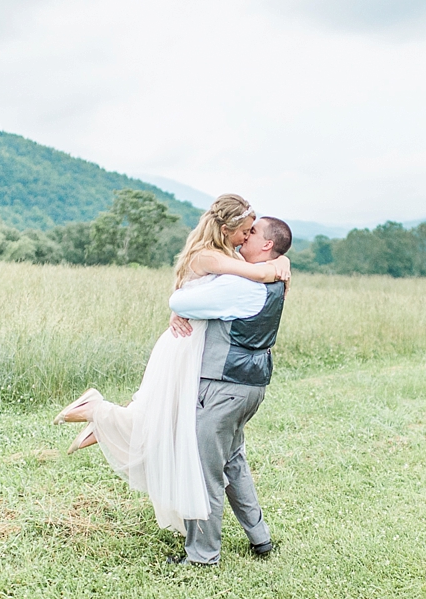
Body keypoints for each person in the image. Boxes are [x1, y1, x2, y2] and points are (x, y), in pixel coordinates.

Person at [52, 194, 290, 536]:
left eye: (252, 233)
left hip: (195, 348)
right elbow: (252, 272)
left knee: (166, 422)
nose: (245, 238)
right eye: (244, 231)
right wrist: (278, 266)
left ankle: (99, 417)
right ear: (227, 229)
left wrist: (281, 261)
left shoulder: (221, 253)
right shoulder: (214, 257)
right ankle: (98, 413)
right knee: (164, 422)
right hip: (185, 347)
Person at [166, 215, 292, 566]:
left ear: (266, 245)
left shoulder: (240, 286)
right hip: (251, 386)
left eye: (251, 233)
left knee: (203, 469)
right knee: (233, 462)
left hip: (222, 386)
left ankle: (203, 555)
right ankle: (260, 537)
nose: (243, 238)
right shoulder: (274, 281)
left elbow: (181, 303)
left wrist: (177, 306)